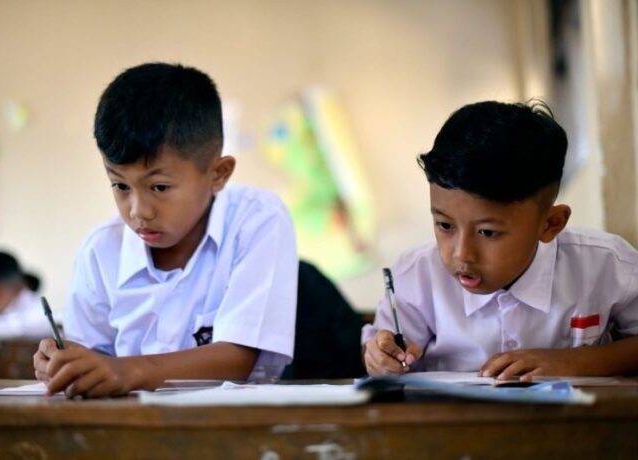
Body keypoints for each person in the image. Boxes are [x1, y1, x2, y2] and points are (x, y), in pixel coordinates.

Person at [33, 63, 298, 398]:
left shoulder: (257, 219)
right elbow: (93, 359)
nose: (138, 211)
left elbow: (238, 357)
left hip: (233, 423)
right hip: (127, 426)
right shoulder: (101, 250)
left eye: (159, 187)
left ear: (218, 174)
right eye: (120, 185)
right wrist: (68, 364)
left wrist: (126, 371)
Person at [363, 100, 638, 381]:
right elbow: (379, 351)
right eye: (445, 225)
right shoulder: (416, 276)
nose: (462, 254)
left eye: (488, 232)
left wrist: (578, 362)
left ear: (550, 224)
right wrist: (380, 357)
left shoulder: (606, 264)